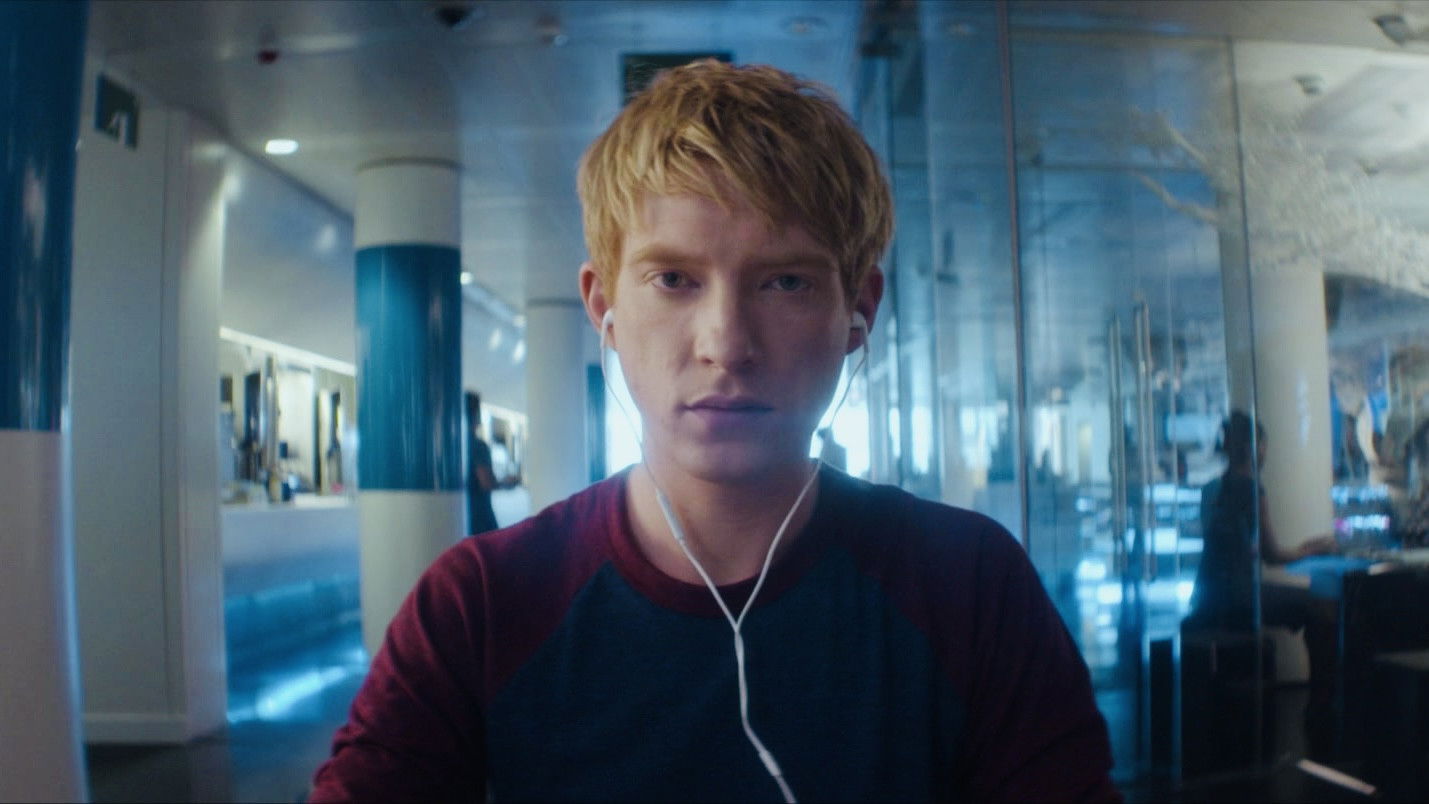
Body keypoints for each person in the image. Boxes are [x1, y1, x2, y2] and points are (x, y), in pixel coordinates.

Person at [311, 60, 1117, 802]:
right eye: (673, 279)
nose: (725, 344)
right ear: (603, 308)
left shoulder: (966, 587)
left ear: (858, 311)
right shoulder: (482, 605)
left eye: (785, 282)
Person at [1187, 411, 1338, 750]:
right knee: (1322, 609)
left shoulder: (1211, 489)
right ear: (1255, 447)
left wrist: (1302, 548)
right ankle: (1320, 705)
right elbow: (1274, 555)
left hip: (1210, 595)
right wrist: (1316, 548)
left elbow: (1232, 545)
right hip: (1241, 596)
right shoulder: (1253, 489)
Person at [464, 391, 501, 535]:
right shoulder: (478, 446)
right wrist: (507, 482)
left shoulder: (455, 447)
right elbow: (486, 482)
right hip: (481, 521)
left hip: (461, 519)